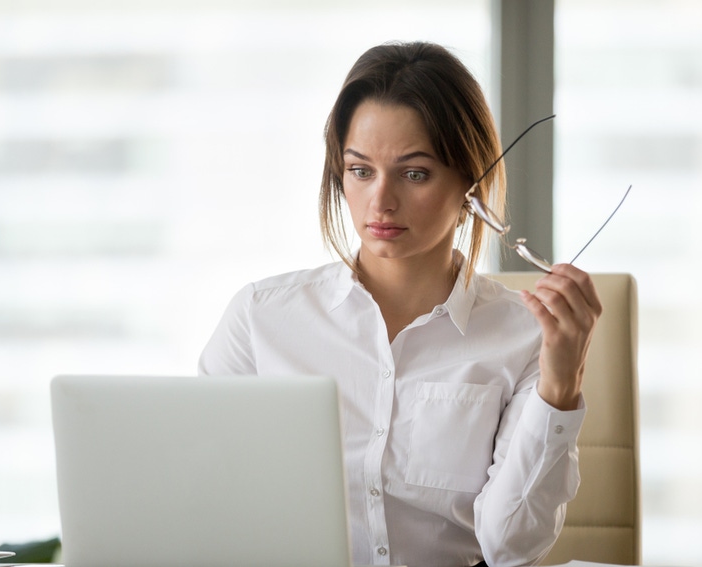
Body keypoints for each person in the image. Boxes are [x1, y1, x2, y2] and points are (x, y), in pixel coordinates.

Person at [199, 41, 601, 567]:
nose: (381, 201)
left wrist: (560, 386)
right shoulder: (261, 318)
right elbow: (204, 502)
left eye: (415, 173)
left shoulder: (523, 338)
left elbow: (510, 547)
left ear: (470, 188)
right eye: (360, 170)